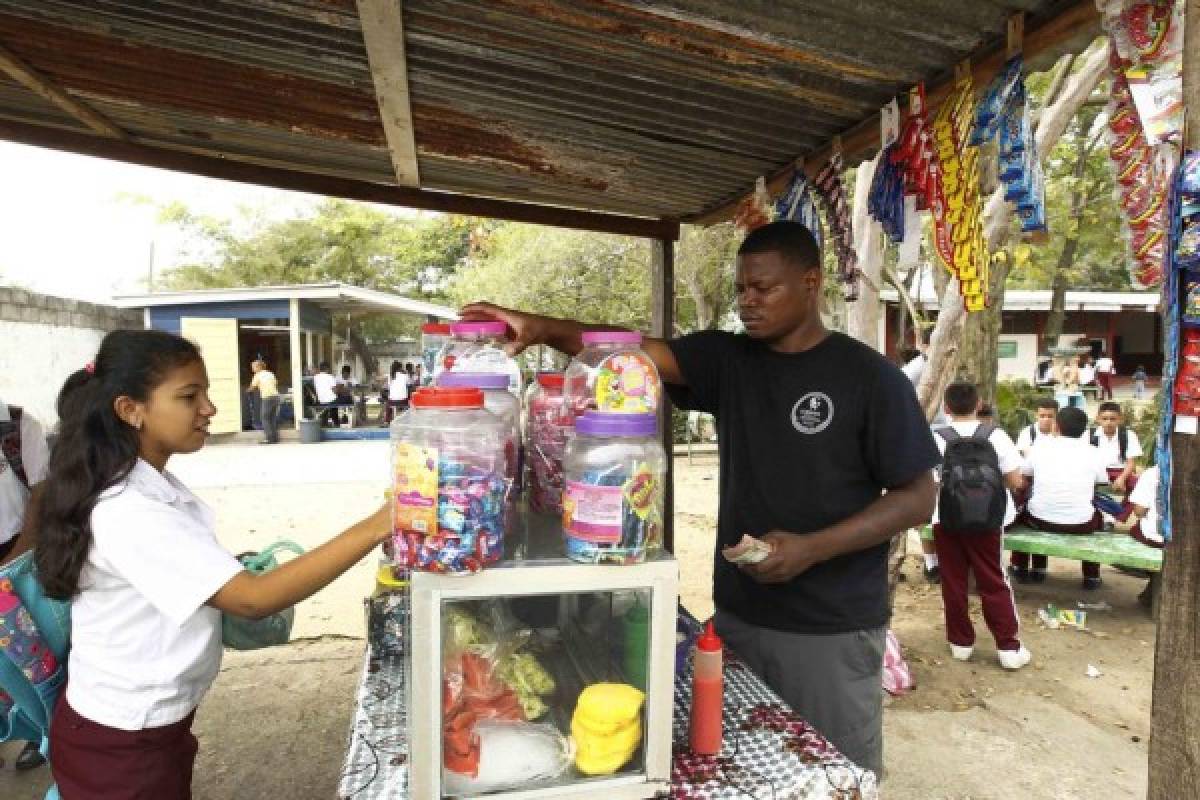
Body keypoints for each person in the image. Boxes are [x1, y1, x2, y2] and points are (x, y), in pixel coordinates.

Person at [460, 220, 939, 776]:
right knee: (745, 765)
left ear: (811, 284)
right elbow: (628, 350)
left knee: (833, 774)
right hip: (739, 614)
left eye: (765, 289)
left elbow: (917, 498)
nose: (748, 303)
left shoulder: (870, 379)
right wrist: (540, 328)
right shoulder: (731, 360)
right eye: (741, 289)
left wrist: (811, 548)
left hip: (828, 626)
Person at [35, 330, 390, 800]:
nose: (209, 408)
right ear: (130, 410)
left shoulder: (151, 485)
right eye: (188, 396)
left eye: (205, 392)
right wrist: (381, 524)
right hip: (122, 743)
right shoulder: (128, 509)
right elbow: (252, 599)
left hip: (148, 730)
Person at [931, 383, 1029, 670]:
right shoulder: (996, 436)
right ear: (979, 404)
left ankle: (960, 643)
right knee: (994, 580)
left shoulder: (936, 438)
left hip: (945, 519)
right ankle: (1008, 647)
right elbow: (1015, 480)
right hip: (989, 520)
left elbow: (928, 483)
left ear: (946, 408)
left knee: (953, 580)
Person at [0, 395, 51, 771]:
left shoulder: (19, 426)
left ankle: (39, 735)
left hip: (16, 558)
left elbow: (40, 496)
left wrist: (13, 561)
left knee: (30, 657)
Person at [1017, 406, 1110, 590]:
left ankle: (1030, 568)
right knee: (1096, 518)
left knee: (1028, 511)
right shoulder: (1094, 452)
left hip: (1040, 520)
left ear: (1056, 426)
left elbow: (1025, 473)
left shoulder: (1040, 448)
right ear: (1085, 430)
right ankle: (1091, 577)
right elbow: (1102, 480)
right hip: (1081, 524)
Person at [1126, 463, 1163, 608]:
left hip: (1157, 538)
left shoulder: (1153, 472)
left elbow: (1139, 511)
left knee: (1136, 531)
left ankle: (1153, 581)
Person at [1090, 402, 1142, 495]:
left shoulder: (1128, 435)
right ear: (1098, 419)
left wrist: (1122, 478)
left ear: (1120, 419)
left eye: (1113, 419)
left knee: (1140, 487)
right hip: (1095, 473)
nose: (1108, 422)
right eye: (1104, 419)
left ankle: (1124, 509)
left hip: (1121, 472)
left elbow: (1131, 463)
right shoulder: (1089, 435)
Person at [248, 359, 281, 444]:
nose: (252, 369)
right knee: (272, 418)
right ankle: (275, 438)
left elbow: (252, 387)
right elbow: (276, 383)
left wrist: (247, 391)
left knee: (265, 418)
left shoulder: (257, 375)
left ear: (259, 367)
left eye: (253, 367)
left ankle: (269, 438)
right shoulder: (270, 373)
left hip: (267, 397)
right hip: (276, 397)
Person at [312, 361, 338, 426]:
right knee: (346, 398)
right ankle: (336, 422)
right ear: (327, 369)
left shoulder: (315, 377)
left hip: (321, 400)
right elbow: (335, 391)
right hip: (331, 400)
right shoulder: (330, 377)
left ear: (320, 369)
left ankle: (324, 422)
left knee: (327, 407)